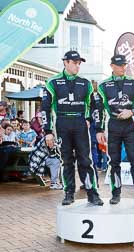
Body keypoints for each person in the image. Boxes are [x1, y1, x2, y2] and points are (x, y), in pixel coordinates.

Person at [42, 50, 103, 206]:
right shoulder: (52, 82)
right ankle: (69, 193)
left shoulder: (85, 83)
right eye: (75, 63)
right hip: (62, 123)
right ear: (65, 62)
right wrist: (48, 132)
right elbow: (45, 108)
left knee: (85, 160)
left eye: (79, 63)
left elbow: (93, 105)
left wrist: (89, 120)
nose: (78, 66)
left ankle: (92, 193)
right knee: (67, 161)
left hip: (80, 123)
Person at [95, 54, 134, 206]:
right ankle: (116, 193)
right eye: (119, 65)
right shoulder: (103, 85)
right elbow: (98, 109)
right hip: (113, 126)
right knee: (114, 162)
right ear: (112, 66)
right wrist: (99, 129)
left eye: (124, 65)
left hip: (129, 125)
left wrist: (132, 111)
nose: (122, 68)